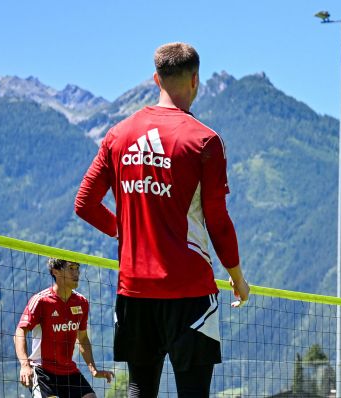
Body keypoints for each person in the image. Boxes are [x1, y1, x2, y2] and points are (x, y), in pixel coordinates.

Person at [74, 42, 250, 397]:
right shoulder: (205, 141)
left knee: (140, 388)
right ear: (196, 80)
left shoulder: (118, 135)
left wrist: (123, 229)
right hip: (190, 291)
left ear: (156, 78)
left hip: (134, 288)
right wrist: (237, 277)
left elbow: (85, 204)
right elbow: (217, 220)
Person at [14, 258, 114, 398]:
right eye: (71, 268)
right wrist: (25, 365)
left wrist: (94, 370)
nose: (77, 273)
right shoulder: (41, 301)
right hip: (42, 370)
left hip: (68, 371)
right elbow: (19, 332)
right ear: (56, 272)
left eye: (77, 268)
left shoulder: (81, 302)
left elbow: (83, 338)